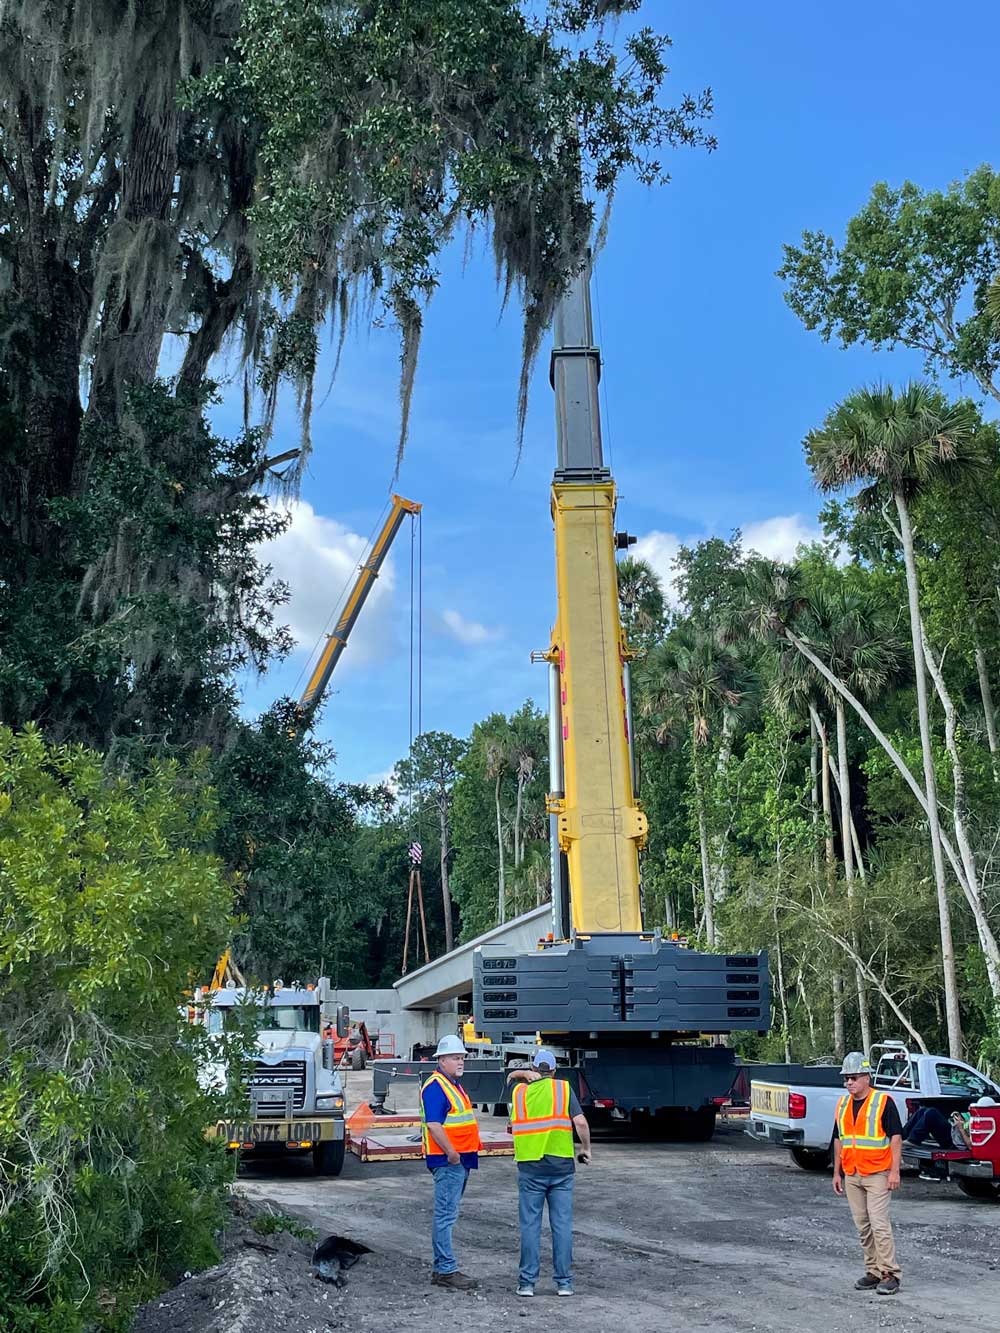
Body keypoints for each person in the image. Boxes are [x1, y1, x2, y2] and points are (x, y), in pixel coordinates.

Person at [508, 1048, 591, 1299]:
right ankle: (564, 1283)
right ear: (554, 1071)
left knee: (530, 1226)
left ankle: (527, 1284)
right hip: (561, 1167)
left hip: (530, 1166)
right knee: (562, 1225)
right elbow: (581, 1123)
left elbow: (510, 1084)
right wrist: (586, 1149)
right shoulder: (563, 1089)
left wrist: (519, 1072)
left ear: (534, 1069)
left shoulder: (519, 1092)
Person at [832, 1052, 903, 1296]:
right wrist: (837, 1173)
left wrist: (895, 1171)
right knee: (863, 1226)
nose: (849, 1082)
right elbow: (838, 1139)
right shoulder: (842, 1105)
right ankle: (873, 1271)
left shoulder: (883, 1102)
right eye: (846, 1079)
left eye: (853, 1078)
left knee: (879, 1224)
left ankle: (890, 1273)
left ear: (866, 1077)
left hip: (877, 1173)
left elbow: (895, 1137)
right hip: (853, 1173)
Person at [420, 1033, 482, 1291]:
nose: (461, 1062)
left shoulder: (453, 1084)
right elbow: (434, 1124)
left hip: (460, 1160)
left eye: (462, 1058)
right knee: (445, 1216)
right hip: (449, 1161)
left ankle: (442, 1269)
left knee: (448, 1214)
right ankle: (445, 1270)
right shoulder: (437, 1086)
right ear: (442, 1060)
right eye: (456, 1058)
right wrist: (452, 1153)